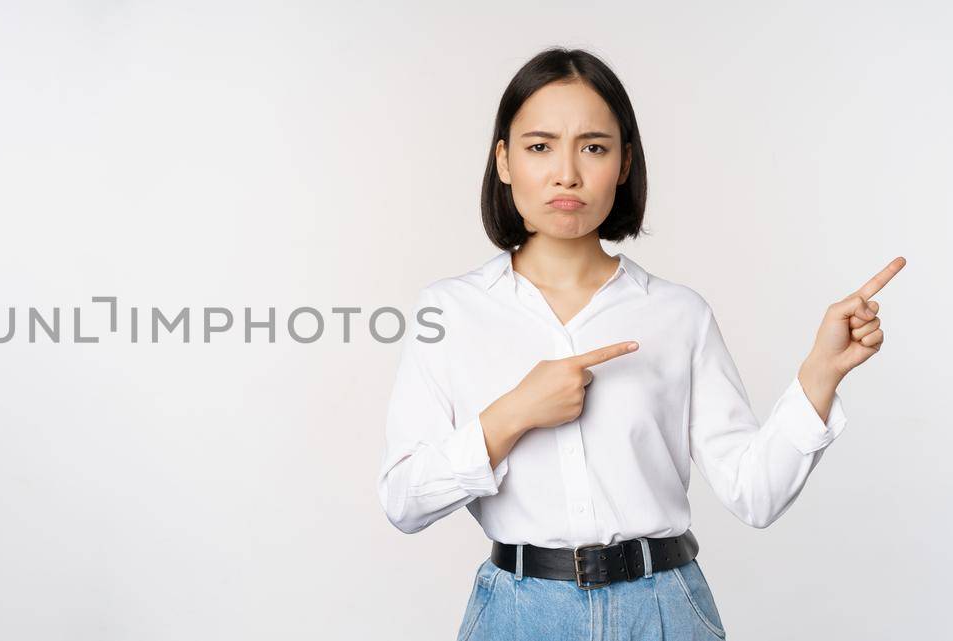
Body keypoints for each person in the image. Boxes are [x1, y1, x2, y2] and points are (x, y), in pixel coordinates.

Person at [375, 47, 905, 640]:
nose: (567, 173)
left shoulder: (677, 314)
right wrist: (514, 414)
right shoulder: (450, 310)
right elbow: (404, 501)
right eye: (539, 146)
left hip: (665, 611)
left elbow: (755, 496)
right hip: (519, 616)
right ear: (503, 160)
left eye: (594, 147)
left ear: (624, 163)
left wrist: (818, 377)